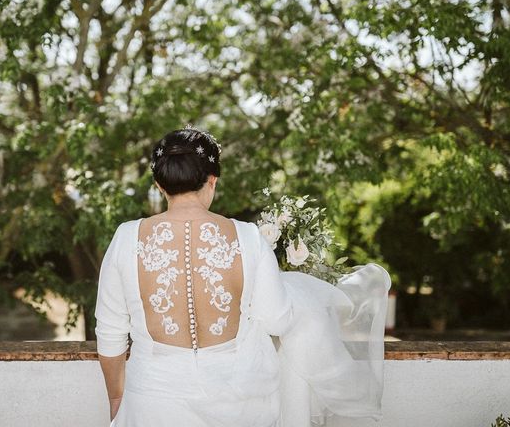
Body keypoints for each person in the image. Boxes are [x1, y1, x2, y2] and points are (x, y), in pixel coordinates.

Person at [95, 126, 391, 427]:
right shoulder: (248, 238)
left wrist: (117, 400)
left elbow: (110, 334)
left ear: (160, 185)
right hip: (241, 407)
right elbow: (278, 320)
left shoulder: (126, 238)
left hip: (153, 408)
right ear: (212, 181)